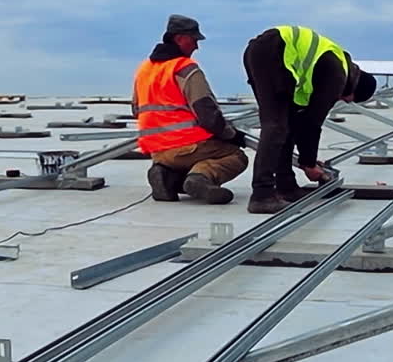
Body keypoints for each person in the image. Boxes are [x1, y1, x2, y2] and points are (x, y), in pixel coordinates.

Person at [243, 24, 377, 214]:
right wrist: (309, 164)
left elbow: (300, 122)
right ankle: (262, 195)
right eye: (350, 99)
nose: (343, 100)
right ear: (355, 87)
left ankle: (286, 187)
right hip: (273, 51)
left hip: (265, 51)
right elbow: (312, 123)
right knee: (276, 126)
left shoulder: (334, 64)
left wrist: (309, 158)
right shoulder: (337, 75)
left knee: (285, 124)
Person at [133, 14, 248, 204]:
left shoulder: (144, 69)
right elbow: (207, 113)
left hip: (156, 151)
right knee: (236, 156)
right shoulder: (185, 68)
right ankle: (201, 177)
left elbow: (136, 110)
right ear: (180, 39)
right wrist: (231, 135)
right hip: (186, 145)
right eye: (194, 40)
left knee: (184, 158)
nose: (196, 46)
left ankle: (166, 174)